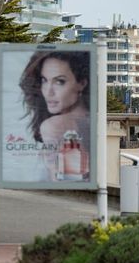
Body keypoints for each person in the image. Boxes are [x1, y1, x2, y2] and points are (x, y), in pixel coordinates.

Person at [19, 51, 90, 181]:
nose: (48, 91)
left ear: (82, 83)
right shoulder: (90, 120)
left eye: (60, 81)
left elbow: (57, 179)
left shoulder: (53, 125)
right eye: (44, 80)